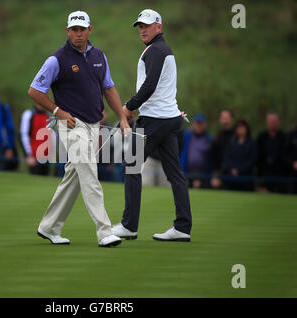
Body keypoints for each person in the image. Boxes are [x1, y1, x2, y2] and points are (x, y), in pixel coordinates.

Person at [27, 10, 129, 247]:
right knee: (89, 172)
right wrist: (57, 112)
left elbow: (109, 89)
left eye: (82, 29)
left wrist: (122, 118)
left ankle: (49, 227)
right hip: (70, 124)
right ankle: (104, 231)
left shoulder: (99, 56)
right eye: (74, 30)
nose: (78, 34)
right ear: (68, 31)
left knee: (75, 175)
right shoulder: (57, 59)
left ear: (89, 30)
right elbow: (34, 91)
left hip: (94, 125)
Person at [112, 9, 192, 242]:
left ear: (159, 26)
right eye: (140, 26)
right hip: (170, 119)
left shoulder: (156, 50)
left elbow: (149, 86)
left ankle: (129, 225)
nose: (143, 30)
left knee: (131, 164)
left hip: (155, 120)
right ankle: (182, 227)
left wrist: (128, 107)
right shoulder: (161, 49)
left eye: (147, 25)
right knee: (174, 172)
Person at [221, 119, 256, 191]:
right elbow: (227, 157)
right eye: (239, 128)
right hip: (231, 177)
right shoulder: (231, 142)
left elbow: (251, 160)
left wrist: (239, 170)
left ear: (247, 129)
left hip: (246, 178)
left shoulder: (252, 143)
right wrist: (232, 169)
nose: (241, 130)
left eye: (243, 128)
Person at [256, 112, 287, 193]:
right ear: (267, 122)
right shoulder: (261, 136)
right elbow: (258, 156)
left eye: (275, 121)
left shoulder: (285, 137)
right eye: (271, 121)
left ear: (279, 122)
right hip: (265, 173)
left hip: (281, 174)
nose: (273, 124)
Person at [180, 113, 212, 189]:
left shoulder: (208, 139)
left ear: (205, 125)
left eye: (201, 124)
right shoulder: (186, 136)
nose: (199, 126)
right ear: (193, 124)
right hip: (186, 173)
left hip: (203, 175)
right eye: (197, 123)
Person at [20, 103, 51, 175]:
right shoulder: (29, 114)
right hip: (33, 155)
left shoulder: (49, 116)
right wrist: (29, 154)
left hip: (46, 157)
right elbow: (24, 135)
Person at [210, 109, 235, 189]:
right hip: (219, 175)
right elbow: (212, 157)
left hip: (234, 174)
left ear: (231, 119)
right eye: (223, 118)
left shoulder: (237, 137)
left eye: (226, 118)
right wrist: (215, 174)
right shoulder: (217, 137)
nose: (224, 120)